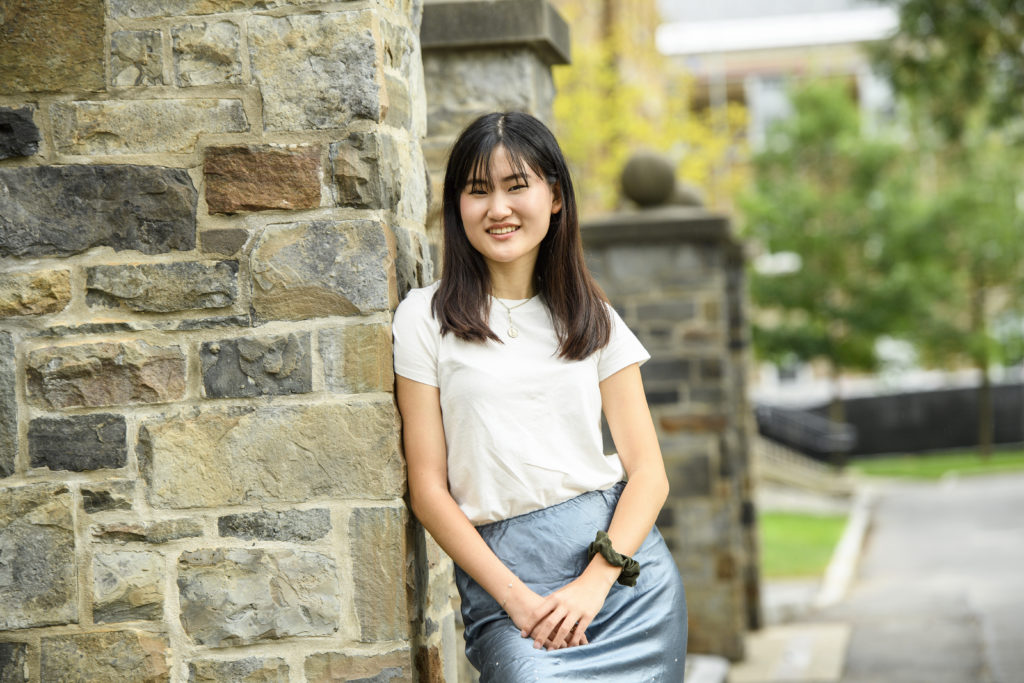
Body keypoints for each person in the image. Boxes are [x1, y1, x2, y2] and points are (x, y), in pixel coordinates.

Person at [393, 111, 686, 681]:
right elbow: (427, 489)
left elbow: (649, 472)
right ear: (458, 206)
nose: (497, 208)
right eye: (478, 191)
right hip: (507, 593)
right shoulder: (424, 320)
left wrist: (596, 582)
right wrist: (519, 601)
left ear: (554, 196)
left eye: (516, 186)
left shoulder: (594, 319)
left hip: (624, 585)